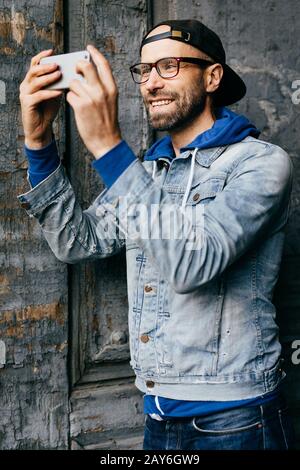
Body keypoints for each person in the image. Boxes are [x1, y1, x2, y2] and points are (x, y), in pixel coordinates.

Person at [18, 19, 295, 450]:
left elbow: (193, 263)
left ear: (212, 76)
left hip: (235, 422)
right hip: (156, 418)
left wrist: (109, 147)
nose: (150, 83)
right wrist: (39, 143)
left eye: (168, 66)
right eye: (144, 70)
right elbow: (78, 241)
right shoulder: (147, 173)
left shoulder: (260, 164)